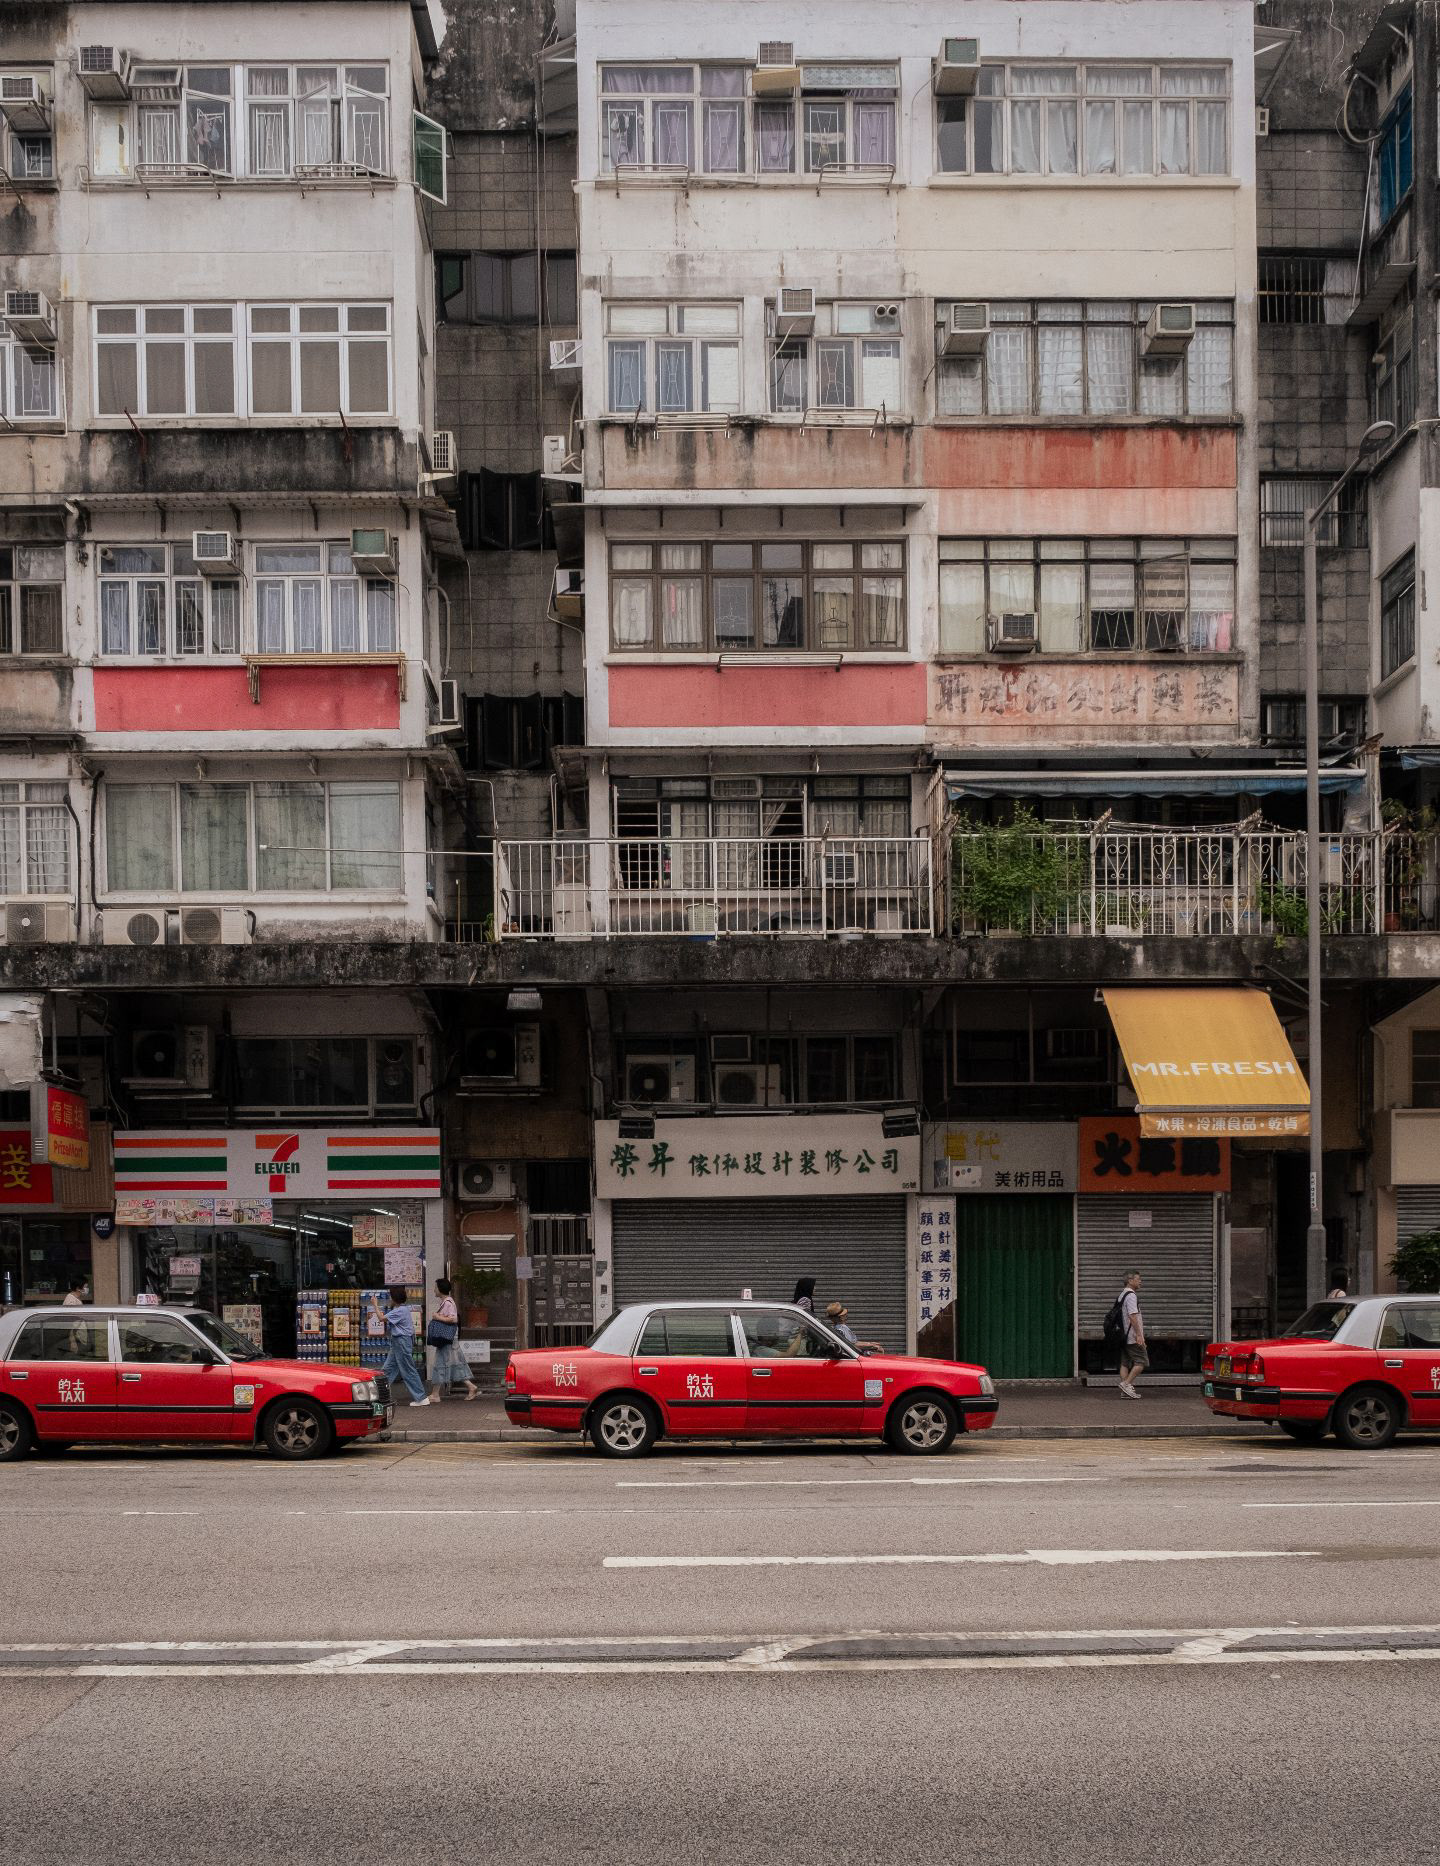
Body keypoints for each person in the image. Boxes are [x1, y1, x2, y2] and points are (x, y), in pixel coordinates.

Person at [369, 1284, 430, 1407]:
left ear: (394, 1298)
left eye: (391, 1296)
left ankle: (421, 1397)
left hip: (401, 1341)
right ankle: (380, 1395)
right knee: (388, 1369)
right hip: (399, 1341)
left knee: (407, 1370)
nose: (390, 1298)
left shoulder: (399, 1311)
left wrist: (375, 1304)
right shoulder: (403, 1309)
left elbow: (381, 1318)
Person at [427, 1276, 478, 1403]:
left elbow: (453, 1319)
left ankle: (435, 1394)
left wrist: (437, 1317)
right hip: (448, 1339)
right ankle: (437, 1393)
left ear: (440, 1289)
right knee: (451, 1363)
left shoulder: (448, 1302)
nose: (434, 1290)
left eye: (435, 1287)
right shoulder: (446, 1302)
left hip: (447, 1339)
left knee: (442, 1364)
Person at [1117, 1272, 1147, 1400]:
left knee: (1125, 1363)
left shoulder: (1122, 1295)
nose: (1140, 1281)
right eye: (1138, 1279)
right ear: (1130, 1280)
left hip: (1123, 1335)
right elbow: (1132, 1316)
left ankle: (1126, 1391)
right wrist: (1139, 1335)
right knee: (1141, 1361)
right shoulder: (1131, 1296)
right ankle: (1126, 1384)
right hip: (1132, 1336)